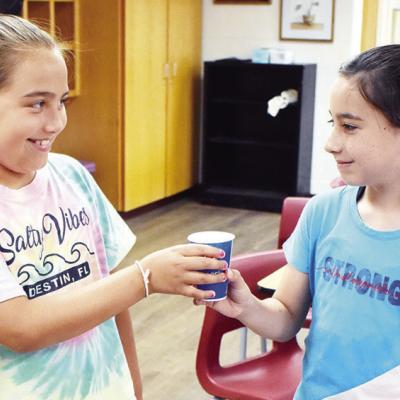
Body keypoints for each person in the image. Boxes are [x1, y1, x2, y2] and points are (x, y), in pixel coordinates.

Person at [0, 15, 227, 400]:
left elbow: (109, 289)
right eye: (37, 103)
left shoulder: (72, 175)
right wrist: (147, 278)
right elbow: (20, 328)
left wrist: (132, 385)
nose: (56, 122)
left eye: (62, 101)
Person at [198, 44, 400, 399]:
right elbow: (287, 317)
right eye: (332, 123)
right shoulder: (323, 212)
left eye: (349, 126)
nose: (330, 143)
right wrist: (247, 306)